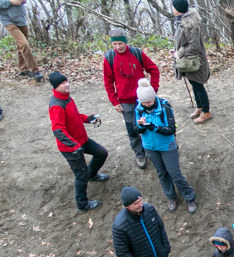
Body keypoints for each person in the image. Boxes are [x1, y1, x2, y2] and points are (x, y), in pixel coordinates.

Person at [134, 79, 197, 213]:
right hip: (150, 146)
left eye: (149, 102)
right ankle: (171, 197)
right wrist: (140, 125)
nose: (146, 105)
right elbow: (137, 130)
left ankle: (190, 198)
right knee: (161, 173)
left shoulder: (164, 107)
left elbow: (171, 129)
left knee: (175, 173)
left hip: (167, 146)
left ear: (154, 98)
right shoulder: (138, 109)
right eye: (144, 103)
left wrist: (153, 127)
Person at [49, 71, 108, 212]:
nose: (67, 84)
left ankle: (92, 174)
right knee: (81, 175)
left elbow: (75, 115)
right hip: (70, 148)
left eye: (66, 81)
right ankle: (82, 204)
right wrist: (74, 145)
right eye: (63, 83)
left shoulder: (67, 98)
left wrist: (88, 118)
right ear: (56, 86)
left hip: (81, 140)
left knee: (101, 153)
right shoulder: (57, 105)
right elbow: (58, 130)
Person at [102, 28, 160, 169]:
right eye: (114, 44)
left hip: (143, 99)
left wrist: (152, 90)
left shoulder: (137, 53)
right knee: (132, 129)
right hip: (125, 101)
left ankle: (151, 150)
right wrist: (114, 101)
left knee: (149, 124)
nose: (118, 47)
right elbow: (108, 81)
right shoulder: (109, 58)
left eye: (120, 44)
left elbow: (153, 69)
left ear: (125, 42)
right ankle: (139, 154)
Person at [172, 0, 211, 124]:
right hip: (188, 61)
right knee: (194, 84)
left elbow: (194, 46)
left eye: (173, 6)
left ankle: (206, 112)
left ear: (178, 8)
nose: (172, 8)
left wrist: (180, 53)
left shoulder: (190, 24)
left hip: (195, 61)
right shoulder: (181, 21)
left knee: (198, 85)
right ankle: (199, 107)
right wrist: (176, 51)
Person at [0, 0, 43, 81]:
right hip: (8, 21)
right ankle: (35, 71)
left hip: (21, 19)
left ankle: (23, 69)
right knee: (24, 44)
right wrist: (10, 2)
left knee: (21, 45)